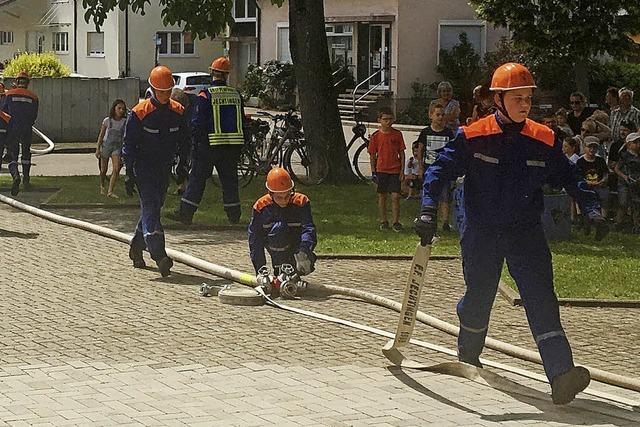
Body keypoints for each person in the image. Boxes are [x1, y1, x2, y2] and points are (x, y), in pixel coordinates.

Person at [414, 62, 608, 405]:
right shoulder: (473, 136)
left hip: (525, 232)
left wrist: (591, 208)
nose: (524, 104)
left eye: (528, 98)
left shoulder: (544, 138)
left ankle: (561, 374)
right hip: (481, 230)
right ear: (497, 100)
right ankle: (469, 357)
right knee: (480, 296)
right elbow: (437, 172)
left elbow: (569, 177)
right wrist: (428, 211)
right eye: (516, 98)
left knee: (541, 296)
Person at [122, 65, 188, 277]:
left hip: (164, 167)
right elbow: (128, 143)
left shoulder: (178, 111)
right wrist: (129, 172)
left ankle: (136, 246)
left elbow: (185, 141)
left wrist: (183, 165)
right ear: (152, 90)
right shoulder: (139, 113)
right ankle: (159, 254)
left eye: (169, 91)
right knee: (150, 206)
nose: (165, 95)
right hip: (144, 168)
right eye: (161, 91)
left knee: (155, 207)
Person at [171, 56, 245, 225]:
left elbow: (197, 123)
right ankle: (234, 216)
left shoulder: (205, 95)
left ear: (212, 73)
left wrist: (195, 145)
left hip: (208, 146)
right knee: (230, 182)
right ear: (226, 75)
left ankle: (185, 214)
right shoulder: (236, 95)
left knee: (197, 179)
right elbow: (241, 120)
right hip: (232, 147)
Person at [248, 167, 317, 278]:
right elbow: (255, 240)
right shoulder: (261, 207)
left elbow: (308, 228)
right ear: (271, 194)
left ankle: (295, 270)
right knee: (278, 229)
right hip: (275, 242)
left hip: (297, 244)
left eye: (287, 195)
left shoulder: (301, 202)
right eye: (279, 197)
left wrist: (304, 250)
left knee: (302, 261)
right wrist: (260, 270)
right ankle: (280, 270)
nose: (284, 201)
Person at [416, 100, 455, 231]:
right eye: (437, 114)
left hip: (444, 169)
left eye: (442, 115)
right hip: (429, 168)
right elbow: (420, 150)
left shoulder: (448, 133)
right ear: (431, 115)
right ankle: (427, 218)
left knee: (445, 195)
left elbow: (453, 150)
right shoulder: (425, 132)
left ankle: (445, 222)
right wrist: (420, 167)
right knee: (428, 194)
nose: (440, 117)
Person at [368, 107, 405, 232]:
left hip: (395, 169)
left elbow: (402, 153)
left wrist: (402, 171)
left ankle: (395, 221)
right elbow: (372, 154)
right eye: (385, 119)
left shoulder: (397, 134)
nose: (388, 122)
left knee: (395, 196)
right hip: (381, 170)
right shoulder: (376, 136)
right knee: (382, 196)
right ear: (379, 120)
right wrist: (373, 171)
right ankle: (383, 220)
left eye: (390, 119)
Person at [2, 70, 38, 191]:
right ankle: (26, 180)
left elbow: (4, 111)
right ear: (28, 82)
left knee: (13, 154)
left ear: (17, 81)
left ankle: (16, 176)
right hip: (27, 127)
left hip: (12, 127)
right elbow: (34, 115)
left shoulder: (9, 94)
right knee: (26, 153)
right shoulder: (33, 97)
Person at [95, 99, 127, 198]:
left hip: (116, 147)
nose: (121, 111)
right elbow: (101, 135)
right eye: (119, 108)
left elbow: (124, 136)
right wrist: (98, 148)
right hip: (106, 146)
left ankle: (110, 191)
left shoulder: (124, 122)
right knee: (103, 169)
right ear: (114, 108)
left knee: (116, 168)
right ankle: (102, 185)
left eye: (123, 109)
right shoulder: (107, 121)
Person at [169, 88, 197, 195]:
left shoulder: (194, 103)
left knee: (187, 161)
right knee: (182, 161)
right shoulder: (175, 106)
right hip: (182, 135)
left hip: (191, 135)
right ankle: (183, 185)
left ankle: (185, 186)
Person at [576, 136, 609, 218]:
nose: (592, 149)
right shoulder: (580, 161)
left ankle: (603, 218)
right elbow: (577, 176)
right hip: (585, 186)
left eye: (594, 147)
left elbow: (605, 173)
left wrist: (603, 180)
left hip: (599, 185)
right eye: (589, 147)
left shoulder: (600, 160)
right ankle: (583, 217)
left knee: (605, 196)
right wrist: (587, 182)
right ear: (584, 147)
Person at [614, 132, 640, 232]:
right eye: (636, 142)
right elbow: (617, 169)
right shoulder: (624, 156)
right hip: (625, 183)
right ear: (629, 144)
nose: (638, 144)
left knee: (636, 203)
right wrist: (624, 177)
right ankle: (619, 223)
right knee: (623, 202)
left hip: (636, 183)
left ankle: (636, 225)